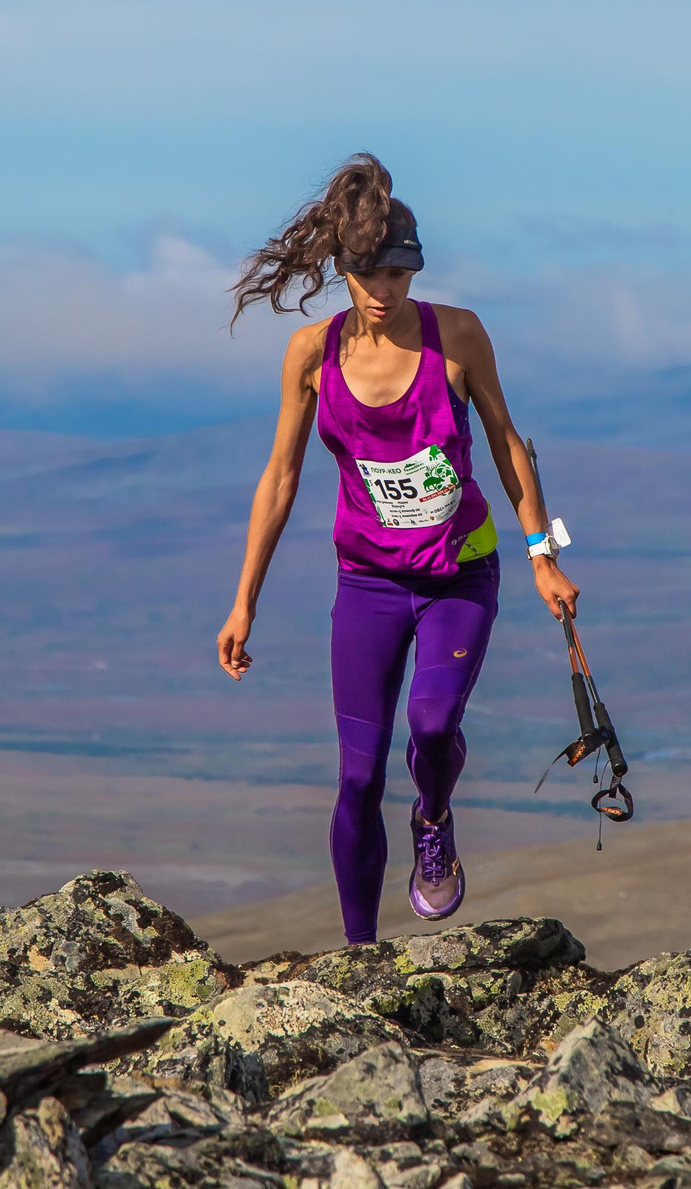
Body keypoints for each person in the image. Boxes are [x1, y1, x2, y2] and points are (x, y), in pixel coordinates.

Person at [218, 154, 580, 946]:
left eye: (400, 274)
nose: (385, 292)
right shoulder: (312, 356)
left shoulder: (457, 337)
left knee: (431, 724)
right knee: (355, 774)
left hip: (460, 575)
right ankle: (359, 955)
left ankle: (435, 814)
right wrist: (245, 599)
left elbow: (508, 443)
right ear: (343, 269)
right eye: (371, 274)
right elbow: (279, 479)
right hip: (369, 584)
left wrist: (540, 555)